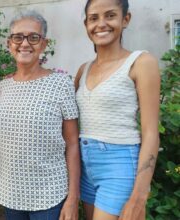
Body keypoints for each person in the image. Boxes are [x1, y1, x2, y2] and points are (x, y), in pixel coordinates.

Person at [75, 0, 160, 219]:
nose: (101, 24)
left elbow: (151, 132)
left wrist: (140, 195)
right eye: (94, 18)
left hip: (119, 164)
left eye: (110, 15)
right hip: (85, 166)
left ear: (125, 19)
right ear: (86, 25)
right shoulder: (83, 70)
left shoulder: (140, 62)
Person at [0, 10, 80, 220]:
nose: (25, 44)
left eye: (33, 37)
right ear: (9, 43)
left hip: (50, 196)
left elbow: (72, 143)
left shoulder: (61, 83)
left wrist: (72, 199)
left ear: (43, 44)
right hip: (10, 194)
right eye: (18, 37)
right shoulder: (1, 86)